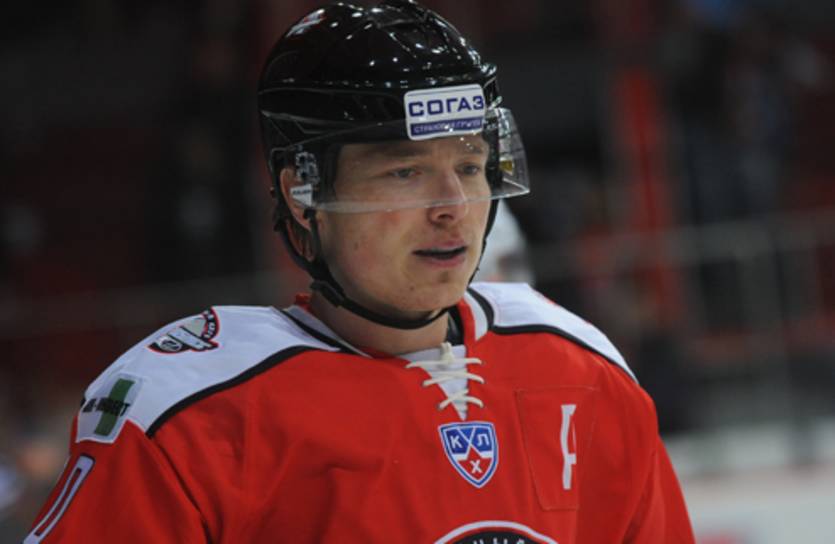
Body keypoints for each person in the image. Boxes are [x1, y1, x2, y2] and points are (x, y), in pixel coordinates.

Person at [25, 1, 695, 542]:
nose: (452, 207)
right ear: (301, 193)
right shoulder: (187, 416)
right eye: (405, 172)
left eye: (468, 166)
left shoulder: (581, 370)